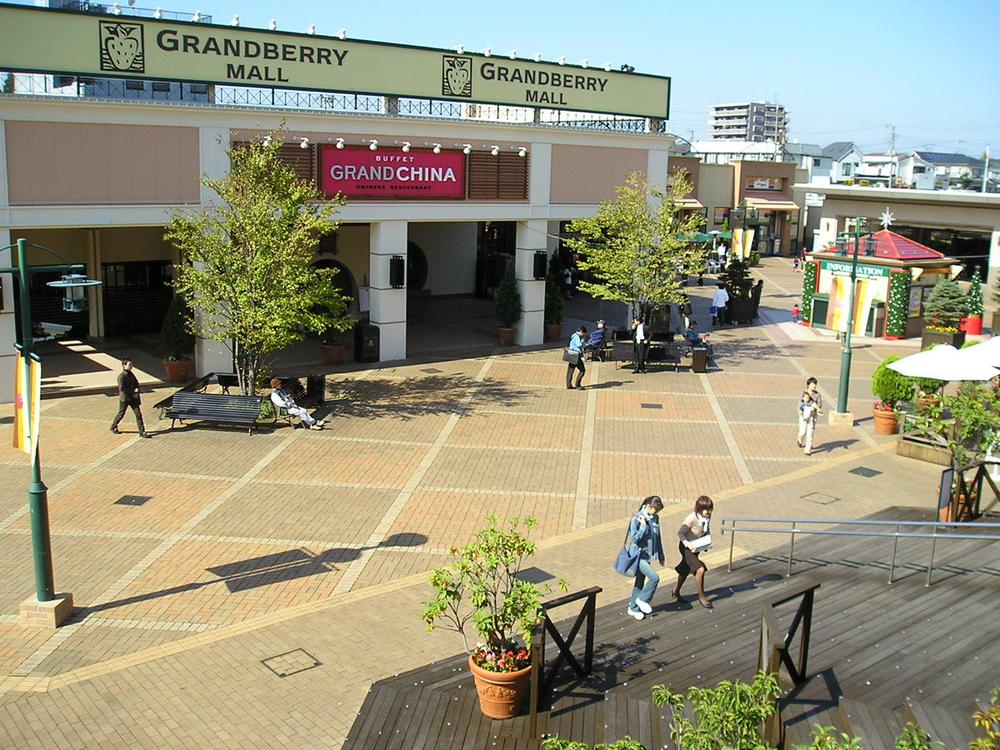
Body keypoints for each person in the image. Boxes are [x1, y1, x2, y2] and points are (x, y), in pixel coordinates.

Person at [626, 496, 665, 620]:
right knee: (654, 577)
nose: (656, 512)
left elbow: (657, 537)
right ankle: (642, 600)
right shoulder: (636, 519)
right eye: (655, 509)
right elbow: (634, 539)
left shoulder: (655, 518)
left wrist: (661, 555)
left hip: (647, 556)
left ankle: (633, 608)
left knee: (640, 582)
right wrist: (643, 527)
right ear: (648, 506)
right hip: (638, 556)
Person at [673, 495, 714, 609]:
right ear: (699, 509)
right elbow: (680, 533)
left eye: (710, 509)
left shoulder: (707, 517)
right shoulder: (691, 518)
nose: (709, 512)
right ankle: (702, 596)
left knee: (685, 569)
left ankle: (676, 591)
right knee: (700, 569)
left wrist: (707, 542)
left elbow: (706, 530)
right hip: (686, 547)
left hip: (697, 547)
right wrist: (688, 544)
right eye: (706, 509)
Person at [110, 358, 150, 437]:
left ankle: (142, 432)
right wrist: (133, 391)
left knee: (138, 414)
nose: (131, 366)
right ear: (124, 365)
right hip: (125, 398)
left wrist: (137, 390)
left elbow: (136, 383)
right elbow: (122, 389)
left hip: (133, 398)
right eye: (129, 365)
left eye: (131, 364)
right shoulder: (121, 376)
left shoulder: (131, 374)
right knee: (121, 414)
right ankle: (113, 426)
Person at [796, 377, 823, 455]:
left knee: (810, 433)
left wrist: (816, 409)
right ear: (808, 384)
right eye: (813, 384)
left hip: (812, 416)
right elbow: (799, 404)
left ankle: (808, 450)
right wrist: (800, 412)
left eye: (815, 384)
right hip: (804, 416)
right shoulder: (803, 393)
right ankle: (800, 439)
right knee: (802, 432)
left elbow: (819, 405)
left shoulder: (817, 395)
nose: (815, 385)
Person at [565, 325, 587, 389]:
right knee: (582, 370)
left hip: (571, 354)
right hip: (576, 355)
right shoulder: (577, 337)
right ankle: (578, 384)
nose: (584, 335)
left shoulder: (574, 335)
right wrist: (583, 341)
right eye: (584, 333)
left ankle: (568, 385)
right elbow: (578, 344)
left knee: (570, 370)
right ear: (581, 331)